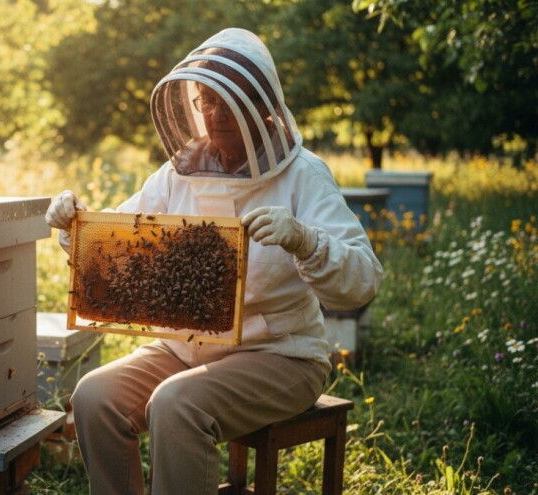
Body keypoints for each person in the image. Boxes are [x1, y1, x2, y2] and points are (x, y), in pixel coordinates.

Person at [45, 28, 383, 495]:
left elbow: (364, 280)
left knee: (176, 405)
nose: (215, 114)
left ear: (261, 106)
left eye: (229, 102)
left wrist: (307, 241)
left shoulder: (304, 174)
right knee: (94, 397)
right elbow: (118, 245)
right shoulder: (177, 174)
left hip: (281, 355)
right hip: (185, 350)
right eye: (207, 101)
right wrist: (74, 225)